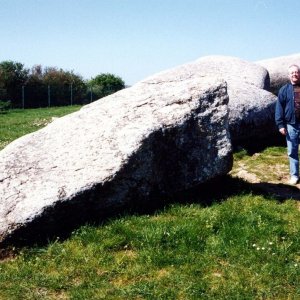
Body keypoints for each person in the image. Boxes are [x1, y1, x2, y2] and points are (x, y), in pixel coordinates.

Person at [275, 64, 300, 185]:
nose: (294, 74)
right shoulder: (284, 90)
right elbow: (279, 108)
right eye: (292, 73)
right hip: (291, 125)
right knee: (292, 152)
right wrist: (280, 125)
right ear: (289, 75)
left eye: (296, 72)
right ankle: (294, 176)